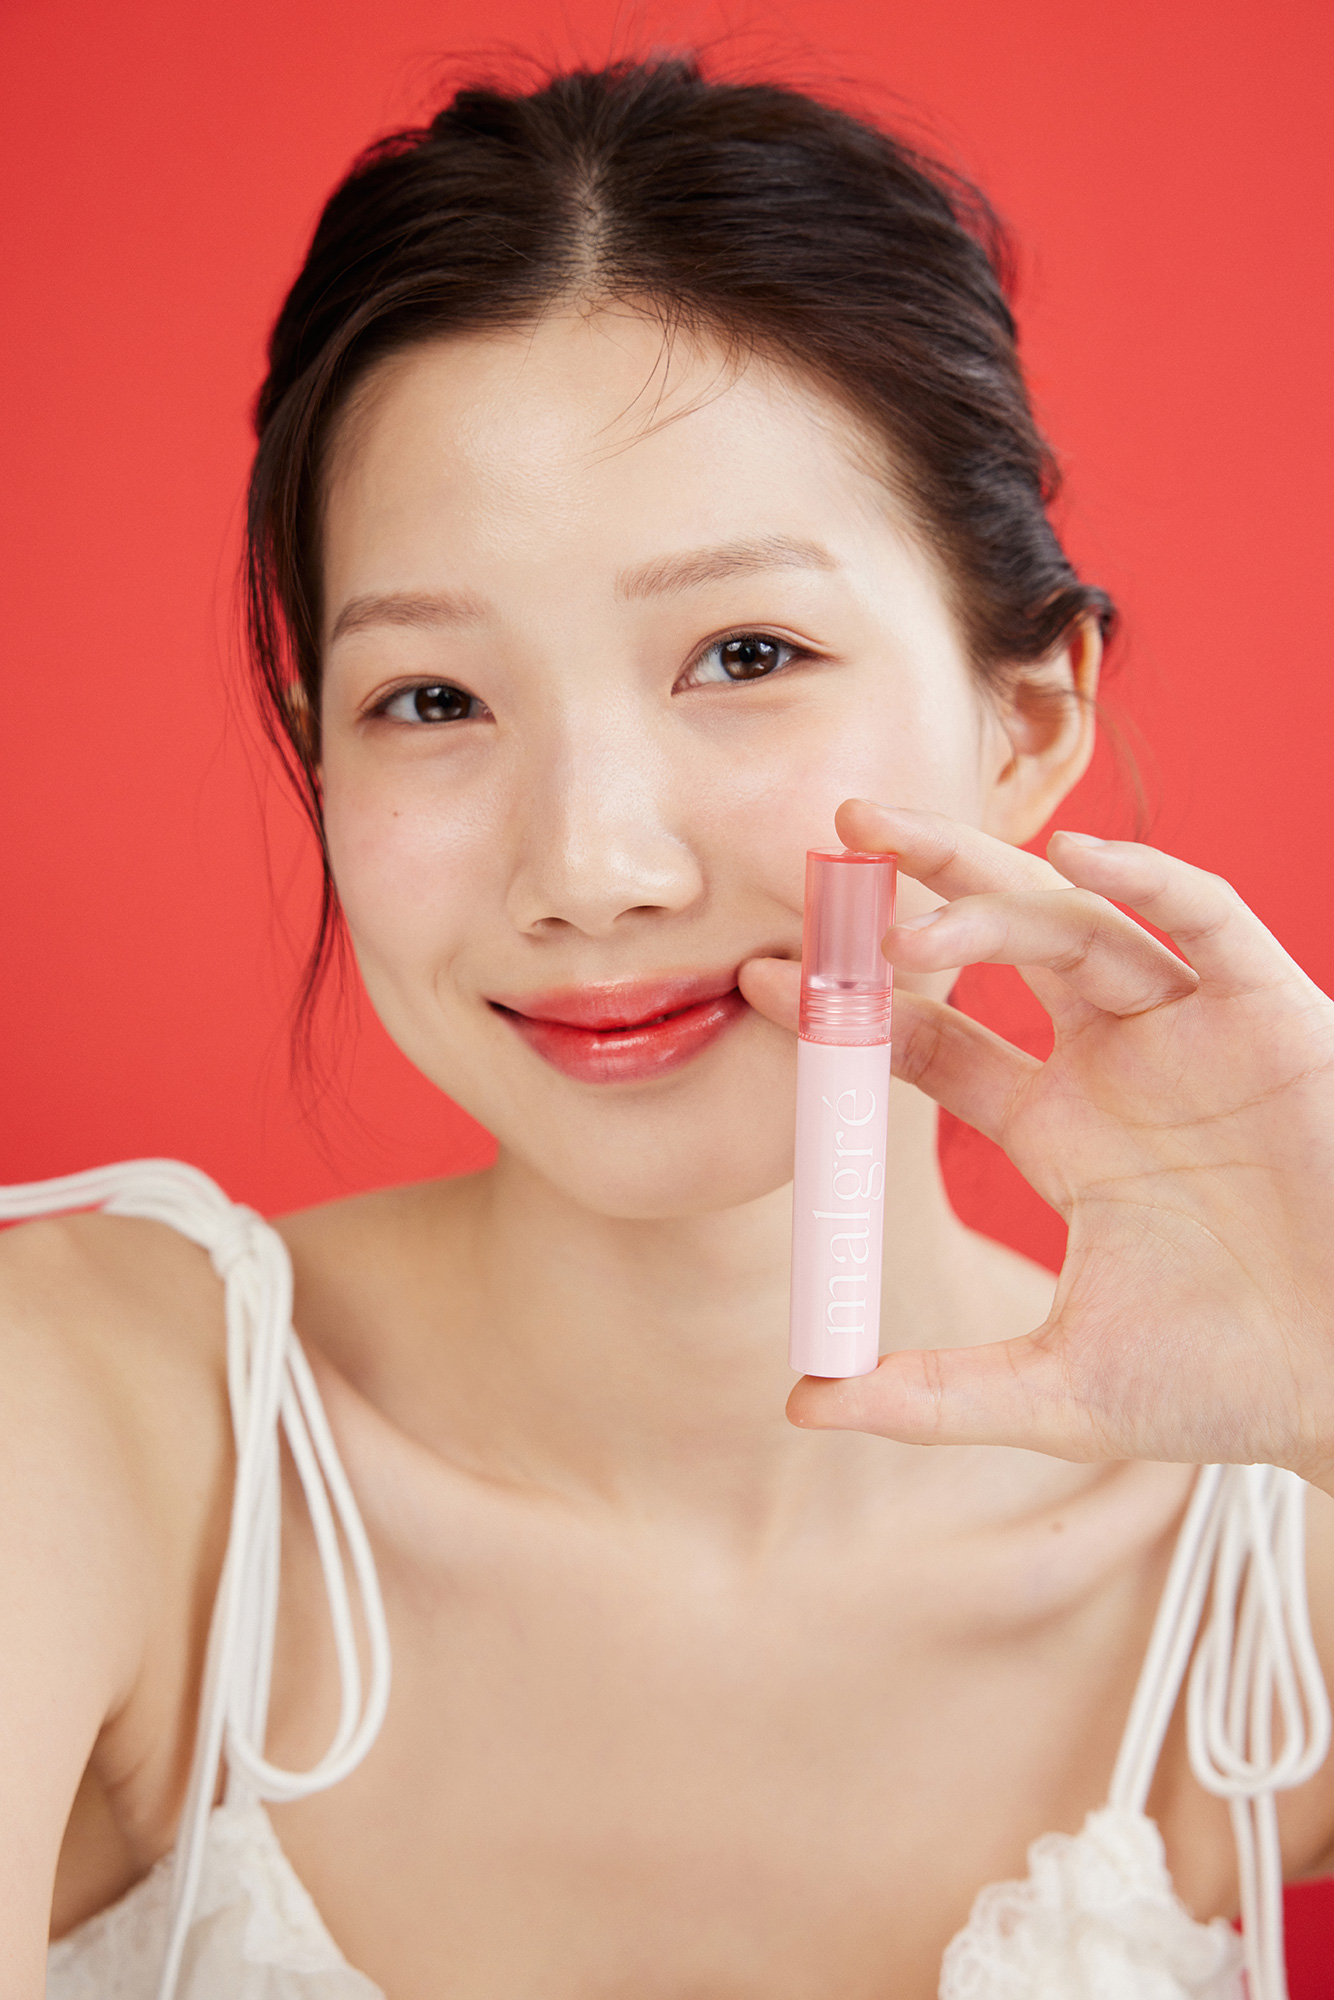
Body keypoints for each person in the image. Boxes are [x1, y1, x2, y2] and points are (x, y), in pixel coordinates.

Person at [4, 56, 1333, 2000]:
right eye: (431, 700)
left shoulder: (1267, 1530)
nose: (593, 866)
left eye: (745, 654)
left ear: (1029, 721)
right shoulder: (80, 1417)